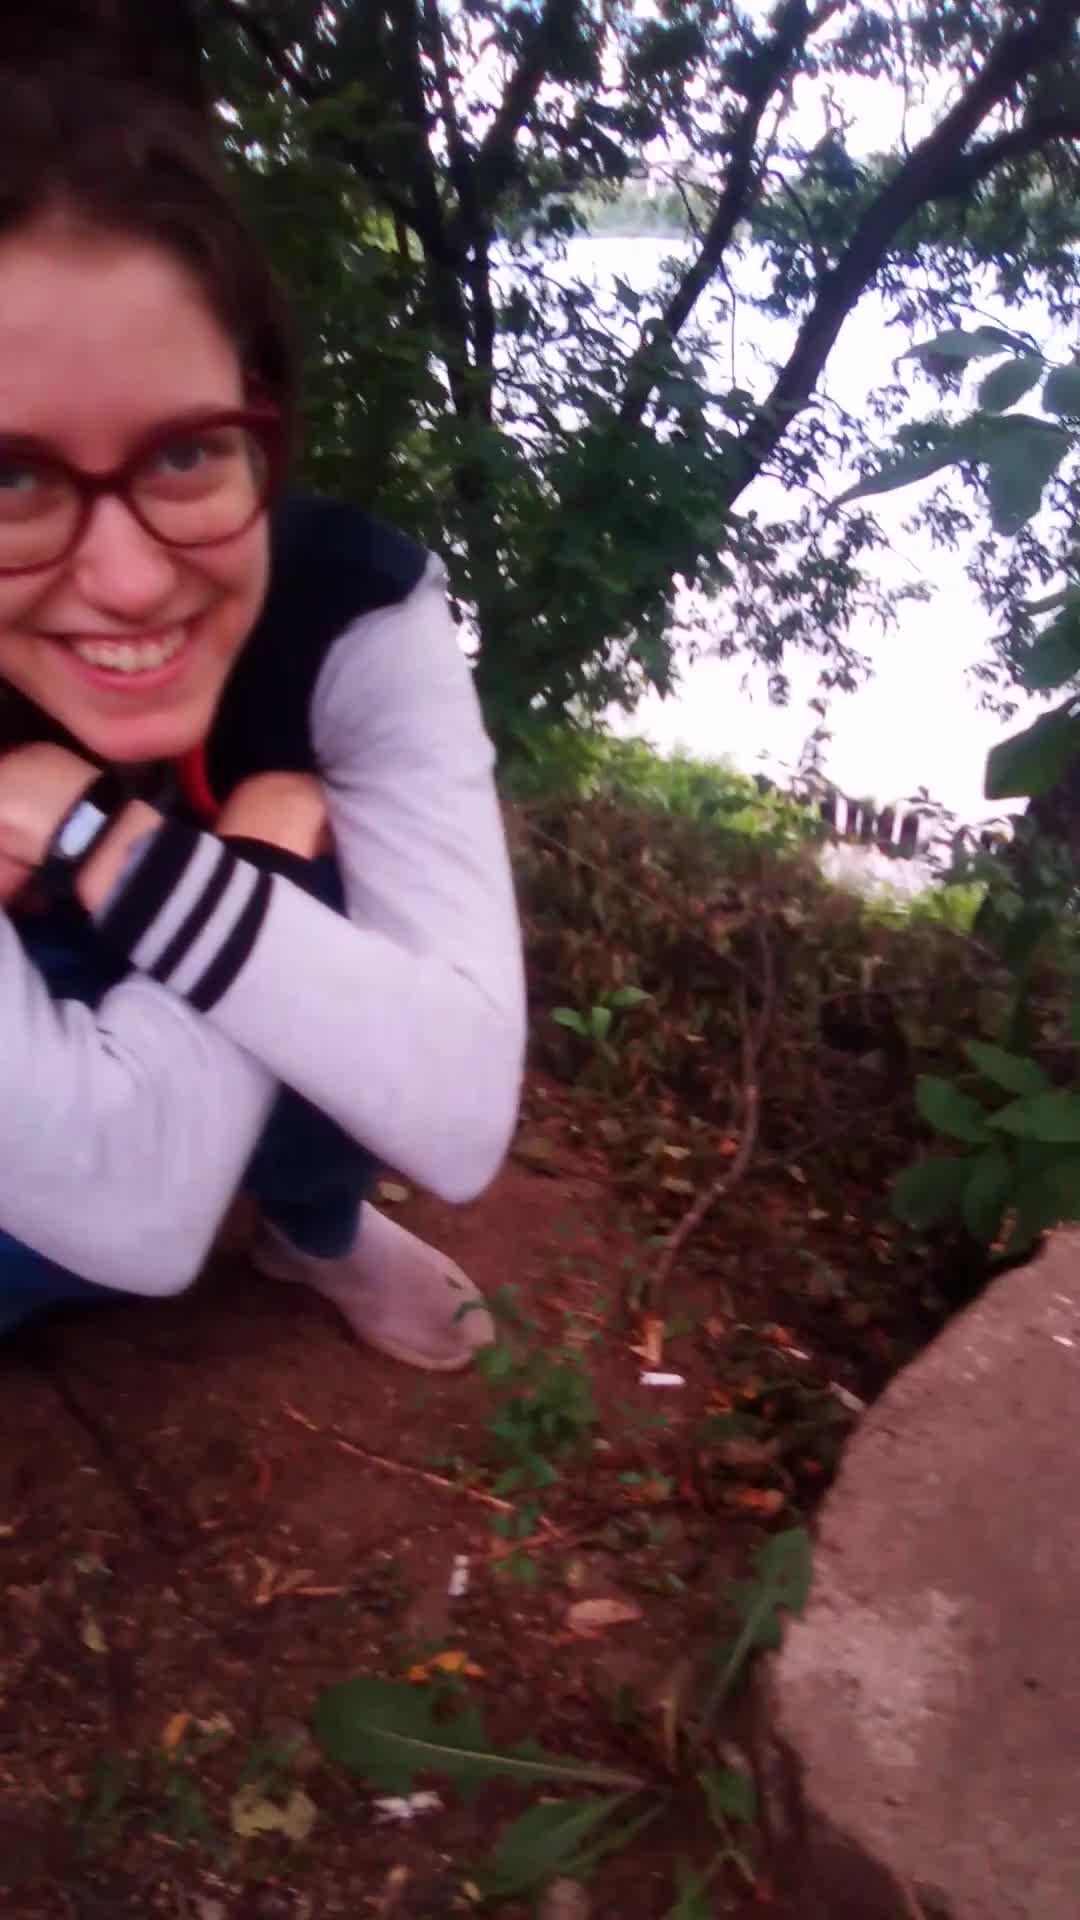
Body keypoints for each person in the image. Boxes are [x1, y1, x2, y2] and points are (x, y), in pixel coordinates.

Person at [0, 57, 526, 1367]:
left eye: (184, 451)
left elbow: (461, 1109)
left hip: (132, 954)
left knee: (328, 888)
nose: (129, 580)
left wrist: (103, 842)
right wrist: (251, 865)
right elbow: (136, 1213)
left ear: (260, 431)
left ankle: (312, 1225)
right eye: (10, 477)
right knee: (63, 1227)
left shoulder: (352, 607)